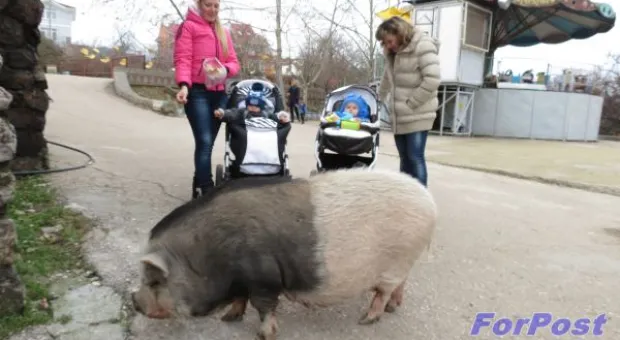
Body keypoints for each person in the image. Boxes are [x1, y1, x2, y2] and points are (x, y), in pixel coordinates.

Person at [174, 0, 240, 199]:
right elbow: (182, 59)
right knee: (203, 141)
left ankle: (198, 185)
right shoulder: (188, 27)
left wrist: (224, 70)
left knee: (208, 143)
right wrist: (184, 85)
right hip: (197, 93)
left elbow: (234, 62)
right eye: (208, 5)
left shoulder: (224, 32)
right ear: (199, 5)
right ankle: (207, 190)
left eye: (216, 6)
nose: (212, 9)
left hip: (219, 94)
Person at [375, 16, 440, 187]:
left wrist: (410, 104)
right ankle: (406, 197)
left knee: (415, 156)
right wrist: (376, 99)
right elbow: (387, 79)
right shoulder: (392, 53)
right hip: (400, 115)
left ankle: (421, 202)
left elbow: (432, 80)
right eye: (384, 43)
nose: (388, 46)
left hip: (418, 112)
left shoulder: (422, 45)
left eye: (389, 41)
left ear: (399, 32)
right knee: (404, 158)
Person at [214, 83, 291, 176]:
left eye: (256, 106)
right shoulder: (241, 112)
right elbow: (231, 113)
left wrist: (282, 117)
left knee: (284, 126)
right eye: (250, 105)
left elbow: (277, 118)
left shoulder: (268, 114)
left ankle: (273, 162)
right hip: (245, 139)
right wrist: (222, 113)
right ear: (246, 104)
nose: (253, 108)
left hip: (266, 141)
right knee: (234, 125)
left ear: (262, 106)